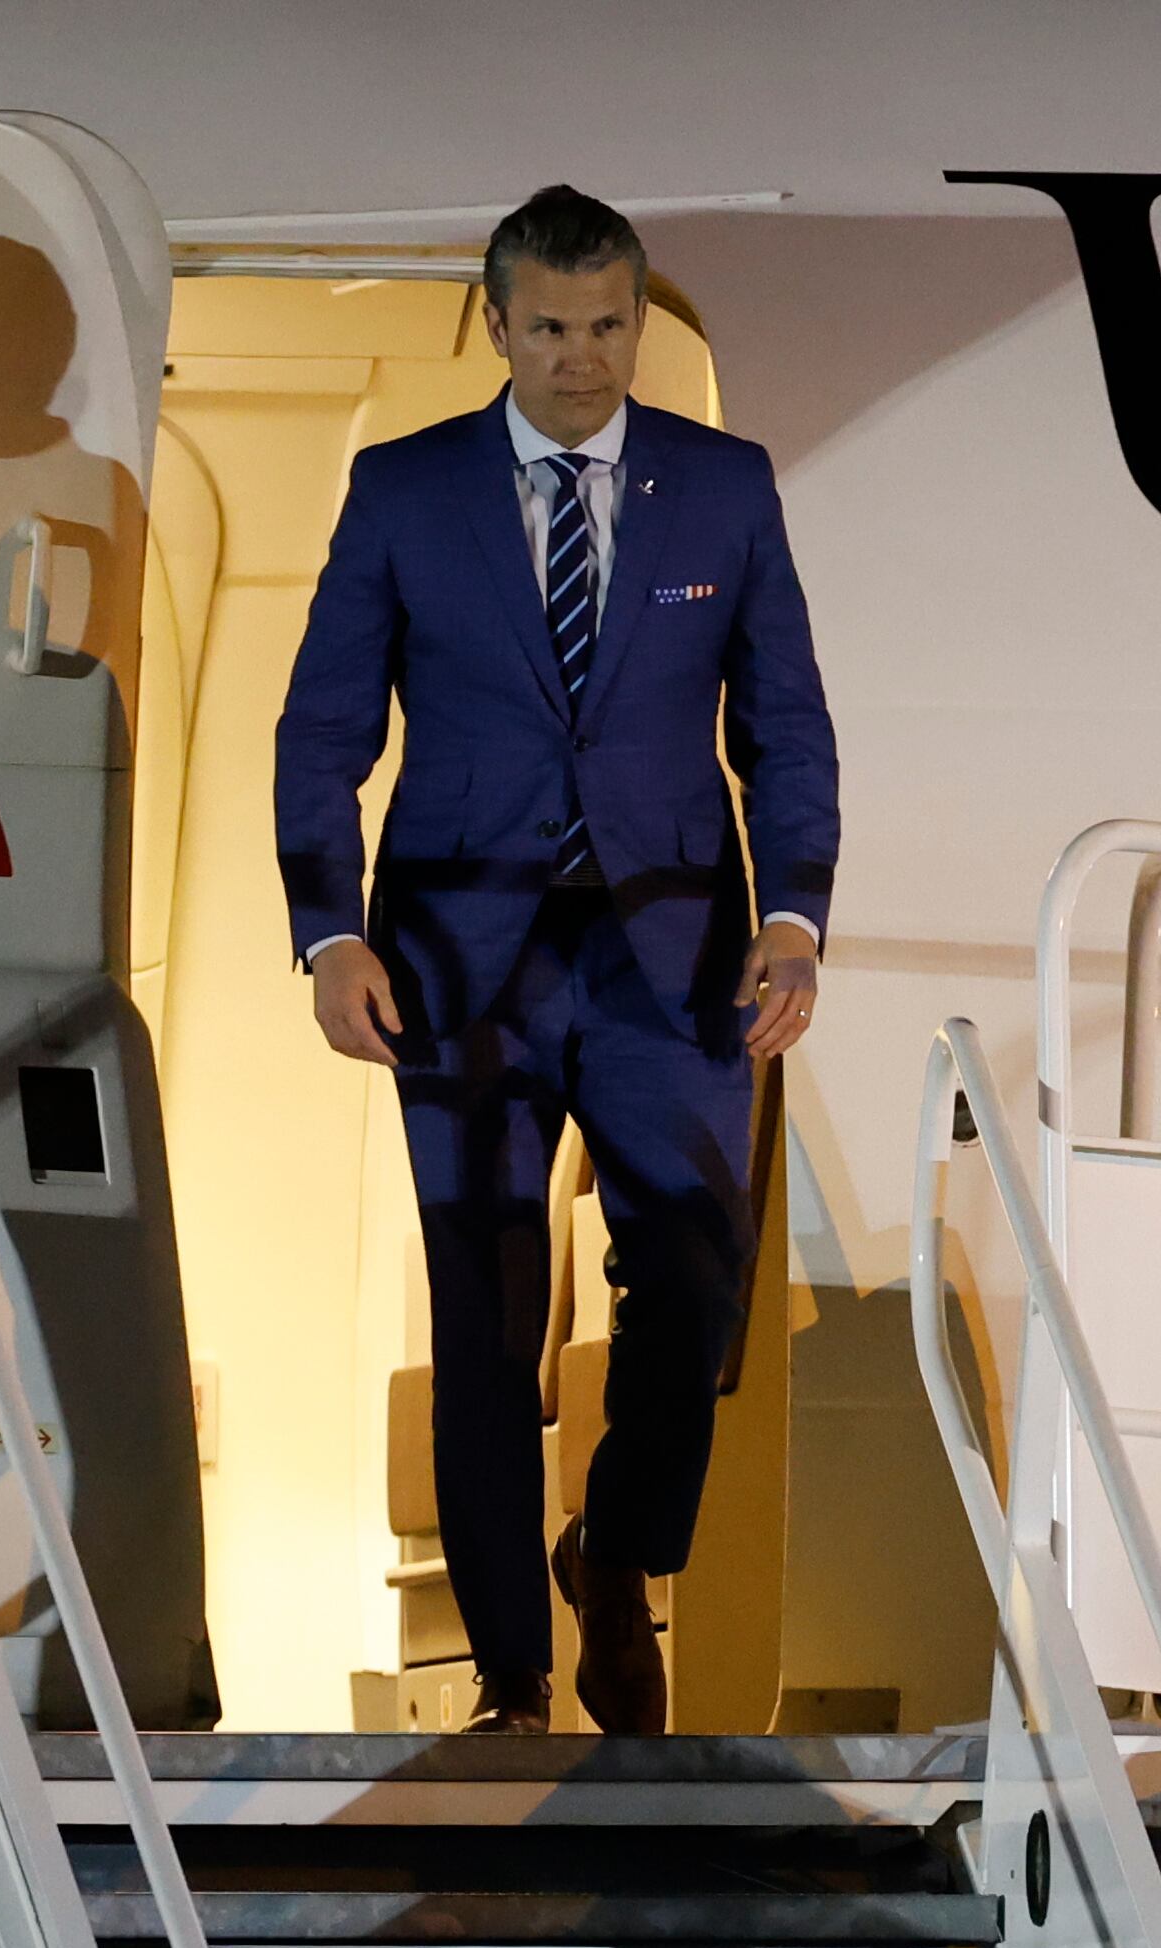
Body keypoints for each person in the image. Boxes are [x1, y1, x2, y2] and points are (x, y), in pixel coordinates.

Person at [274, 186, 839, 1735]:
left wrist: (794, 914)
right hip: (461, 952)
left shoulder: (722, 485)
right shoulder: (405, 490)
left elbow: (782, 723)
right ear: (498, 323)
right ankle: (514, 1673)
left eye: (607, 327)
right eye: (549, 328)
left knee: (697, 1278)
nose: (581, 359)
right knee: (485, 1303)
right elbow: (325, 731)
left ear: (637, 320)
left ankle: (618, 1555)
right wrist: (328, 934)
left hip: (675, 951)